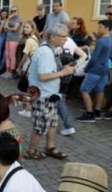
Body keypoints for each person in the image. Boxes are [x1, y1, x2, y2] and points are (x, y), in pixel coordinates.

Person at [24, 24, 76, 160]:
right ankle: (31, 151)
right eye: (63, 36)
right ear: (52, 37)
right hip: (43, 96)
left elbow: (49, 72)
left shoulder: (50, 49)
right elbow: (43, 76)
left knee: (53, 122)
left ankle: (50, 147)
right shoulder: (46, 52)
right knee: (40, 126)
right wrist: (64, 72)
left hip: (49, 95)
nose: (66, 39)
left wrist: (62, 69)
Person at [77, 19, 112, 122]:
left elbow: (93, 58)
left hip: (96, 69)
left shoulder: (101, 41)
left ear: (107, 28)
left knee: (84, 90)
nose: (98, 29)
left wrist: (86, 69)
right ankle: (97, 111)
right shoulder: (110, 41)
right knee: (100, 89)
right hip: (104, 69)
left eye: (100, 27)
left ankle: (89, 114)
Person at [3, 7, 23, 79]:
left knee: (12, 55)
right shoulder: (10, 18)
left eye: (15, 10)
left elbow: (15, 29)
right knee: (7, 55)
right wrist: (8, 18)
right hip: (8, 38)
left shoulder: (19, 18)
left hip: (14, 39)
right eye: (12, 11)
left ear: (18, 11)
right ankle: (7, 70)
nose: (13, 12)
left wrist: (8, 28)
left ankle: (11, 72)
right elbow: (4, 26)